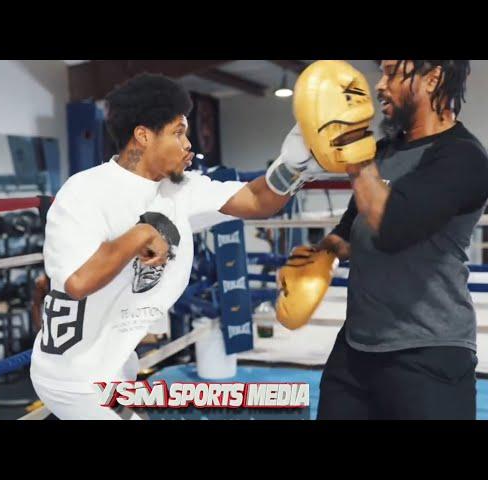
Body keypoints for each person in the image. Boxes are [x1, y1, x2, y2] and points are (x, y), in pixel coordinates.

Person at [29, 73, 343, 420]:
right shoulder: (85, 192)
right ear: (143, 136)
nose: (188, 144)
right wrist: (139, 235)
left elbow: (257, 199)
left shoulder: (180, 188)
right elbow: (77, 282)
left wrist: (298, 163)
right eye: (178, 132)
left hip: (116, 366)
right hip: (72, 375)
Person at [306, 60, 488, 419]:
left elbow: (392, 227)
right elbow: (348, 233)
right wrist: (313, 261)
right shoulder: (382, 152)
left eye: (392, 72)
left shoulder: (463, 157)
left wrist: (353, 151)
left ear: (432, 79)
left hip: (428, 353)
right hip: (356, 349)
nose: (380, 85)